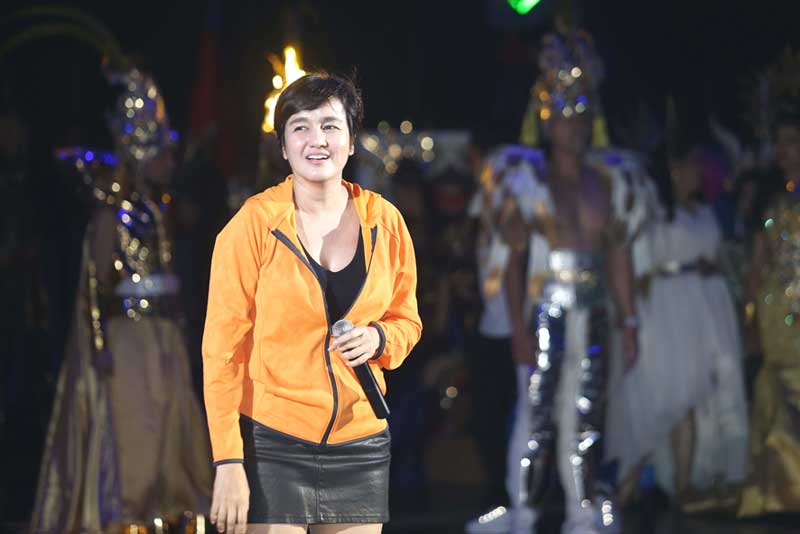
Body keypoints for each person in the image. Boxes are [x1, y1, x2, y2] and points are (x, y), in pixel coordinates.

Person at [202, 72, 422, 534]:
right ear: (283, 146)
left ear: (351, 141)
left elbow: (407, 321)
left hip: (360, 441)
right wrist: (228, 459)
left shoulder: (385, 222)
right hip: (273, 441)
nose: (316, 139)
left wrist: (380, 337)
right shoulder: (253, 225)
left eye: (330, 126)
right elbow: (221, 352)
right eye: (300, 127)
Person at [465, 30, 650, 534]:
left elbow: (618, 255)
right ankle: (522, 512)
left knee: (586, 412)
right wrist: (518, 329)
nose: (576, 126)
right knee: (536, 413)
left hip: (594, 310)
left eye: (583, 115)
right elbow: (513, 259)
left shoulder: (607, 182)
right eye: (566, 115)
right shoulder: (528, 178)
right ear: (547, 120)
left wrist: (630, 321)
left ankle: (581, 512)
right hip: (545, 310)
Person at [31, 67, 213, 533]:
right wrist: (97, 342)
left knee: (171, 419)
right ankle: (131, 512)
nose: (169, 162)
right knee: (137, 423)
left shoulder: (158, 208)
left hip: (163, 332)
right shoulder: (112, 213)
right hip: (129, 336)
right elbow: (94, 281)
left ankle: (169, 507)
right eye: (162, 153)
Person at [605, 136, 749, 509]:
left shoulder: (703, 210)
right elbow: (634, 256)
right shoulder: (653, 212)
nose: (699, 173)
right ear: (674, 170)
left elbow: (719, 252)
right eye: (691, 165)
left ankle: (687, 482)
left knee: (695, 394)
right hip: (667, 308)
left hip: (706, 305)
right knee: (662, 394)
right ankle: (627, 487)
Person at [739, 95, 800, 517]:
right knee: (778, 390)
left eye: (792, 141)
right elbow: (757, 266)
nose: (784, 151)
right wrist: (750, 318)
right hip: (776, 309)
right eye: (779, 143)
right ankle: (781, 487)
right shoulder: (770, 199)